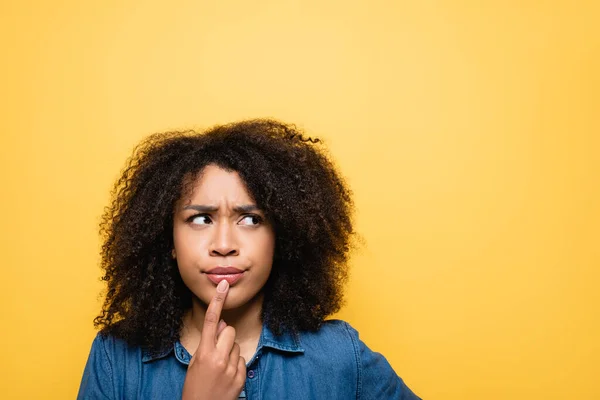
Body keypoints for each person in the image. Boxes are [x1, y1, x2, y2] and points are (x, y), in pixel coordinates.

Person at [77, 119, 421, 399]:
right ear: (168, 239)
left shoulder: (341, 357)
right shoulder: (115, 360)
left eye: (251, 219)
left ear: (281, 236)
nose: (224, 244)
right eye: (200, 219)